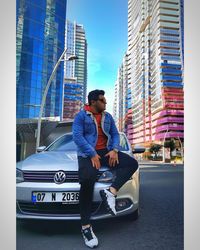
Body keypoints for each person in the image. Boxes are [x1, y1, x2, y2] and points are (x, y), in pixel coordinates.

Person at [72, 89, 138, 248]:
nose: (105, 103)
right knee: (87, 181)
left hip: (107, 151)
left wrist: (115, 150)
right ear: (93, 102)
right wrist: (92, 154)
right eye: (102, 100)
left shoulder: (108, 116)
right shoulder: (81, 116)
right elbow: (77, 137)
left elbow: (115, 134)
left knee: (132, 163)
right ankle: (86, 227)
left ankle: (111, 191)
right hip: (88, 154)